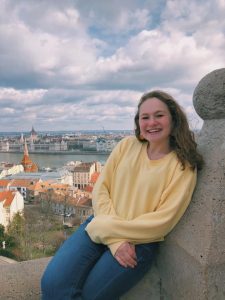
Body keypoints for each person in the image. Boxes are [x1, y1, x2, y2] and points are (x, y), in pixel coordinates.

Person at [41, 90, 204, 300]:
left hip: (138, 241)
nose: (151, 122)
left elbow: (163, 221)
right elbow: (101, 188)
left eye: (159, 115)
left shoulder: (183, 165)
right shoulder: (127, 145)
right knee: (52, 284)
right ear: (139, 122)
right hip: (101, 223)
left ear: (173, 118)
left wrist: (110, 231)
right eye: (145, 117)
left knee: (89, 296)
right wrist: (115, 239)